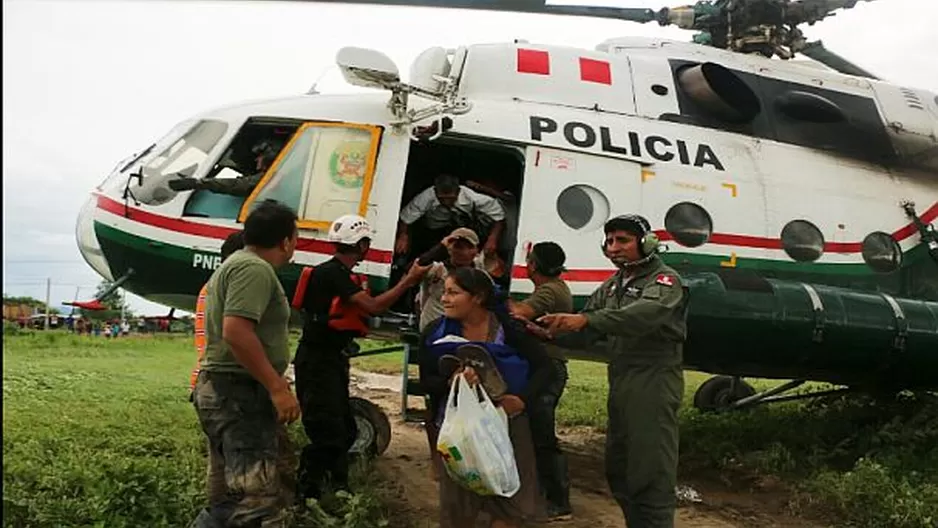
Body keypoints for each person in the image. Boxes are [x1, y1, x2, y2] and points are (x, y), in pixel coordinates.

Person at [535, 214, 689, 528]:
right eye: (609, 241)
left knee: (650, 471)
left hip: (653, 381)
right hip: (621, 379)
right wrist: (552, 329)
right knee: (620, 468)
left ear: (646, 243)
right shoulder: (615, 284)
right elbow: (588, 321)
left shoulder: (664, 280)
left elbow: (644, 315)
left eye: (623, 240)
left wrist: (586, 321)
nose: (613, 247)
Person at [292, 214, 431, 503]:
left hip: (330, 358)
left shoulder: (335, 273)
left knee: (345, 429)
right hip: (319, 362)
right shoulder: (333, 275)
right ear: (362, 244)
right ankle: (307, 494)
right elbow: (374, 307)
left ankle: (339, 487)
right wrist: (408, 281)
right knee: (327, 432)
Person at [189, 199, 301, 528]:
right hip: (237, 393)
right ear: (286, 240)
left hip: (227, 390)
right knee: (258, 501)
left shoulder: (238, 264)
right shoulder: (253, 268)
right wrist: (277, 386)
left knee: (229, 497)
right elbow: (236, 331)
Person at [419, 267, 555, 528]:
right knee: (460, 504)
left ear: (478, 297)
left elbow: (545, 369)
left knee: (509, 503)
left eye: (453, 293)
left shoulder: (510, 330)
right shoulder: (435, 334)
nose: (444, 299)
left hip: (507, 425)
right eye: (444, 292)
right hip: (461, 429)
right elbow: (427, 380)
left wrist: (521, 400)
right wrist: (451, 381)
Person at [508, 241, 574, 521]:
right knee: (535, 433)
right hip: (547, 366)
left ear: (532, 265)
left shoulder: (549, 290)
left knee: (542, 436)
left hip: (547, 368)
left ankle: (559, 502)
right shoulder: (558, 287)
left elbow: (518, 313)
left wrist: (492, 293)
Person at [395, 173, 506, 259]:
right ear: (435, 191)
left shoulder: (474, 198)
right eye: (442, 198)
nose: (447, 202)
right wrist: (403, 236)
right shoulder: (426, 196)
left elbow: (499, 217)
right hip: (434, 230)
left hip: (464, 230)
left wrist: (493, 239)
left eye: (451, 198)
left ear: (458, 191)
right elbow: (406, 217)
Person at [416, 227, 485, 332]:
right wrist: (441, 246)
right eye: (458, 247)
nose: (462, 251)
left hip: (465, 330)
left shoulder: (480, 271)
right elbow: (417, 266)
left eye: (467, 247)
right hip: (435, 327)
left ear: (475, 251)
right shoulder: (437, 269)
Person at [170, 138, 283, 197]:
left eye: (260, 156)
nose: (256, 160)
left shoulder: (275, 176)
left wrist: (198, 183)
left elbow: (239, 185)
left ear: (271, 157)